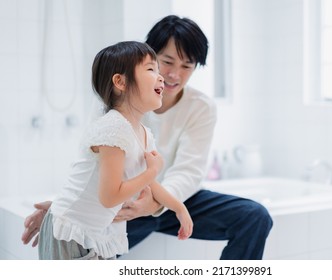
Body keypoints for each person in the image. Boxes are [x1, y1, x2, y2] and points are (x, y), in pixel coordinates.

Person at [22, 15, 273, 260]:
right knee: (94, 241)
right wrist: (62, 208)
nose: (173, 75)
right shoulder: (112, 104)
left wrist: (159, 204)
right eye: (165, 63)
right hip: (125, 200)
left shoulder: (200, 107)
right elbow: (92, 164)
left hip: (168, 194)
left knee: (255, 216)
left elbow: (188, 171)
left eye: (187, 66)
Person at [36, 41, 193, 260]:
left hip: (95, 230)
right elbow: (109, 197)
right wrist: (151, 171)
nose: (161, 77)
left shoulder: (144, 133)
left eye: (158, 70)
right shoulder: (113, 127)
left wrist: (179, 208)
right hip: (70, 229)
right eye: (150, 69)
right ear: (120, 82)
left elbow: (151, 185)